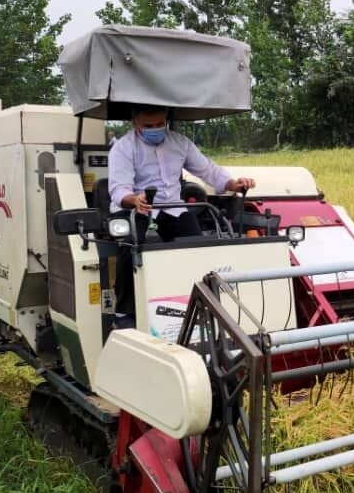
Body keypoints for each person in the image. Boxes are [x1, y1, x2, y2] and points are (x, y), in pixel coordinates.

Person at [108, 104, 256, 328]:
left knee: (196, 247)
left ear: (166, 119)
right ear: (134, 123)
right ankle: (124, 313)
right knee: (131, 248)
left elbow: (208, 171)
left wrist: (232, 184)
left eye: (160, 124)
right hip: (136, 208)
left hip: (173, 207)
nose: (155, 129)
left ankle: (195, 303)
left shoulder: (180, 143)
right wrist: (134, 199)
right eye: (148, 126)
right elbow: (119, 189)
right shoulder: (123, 148)